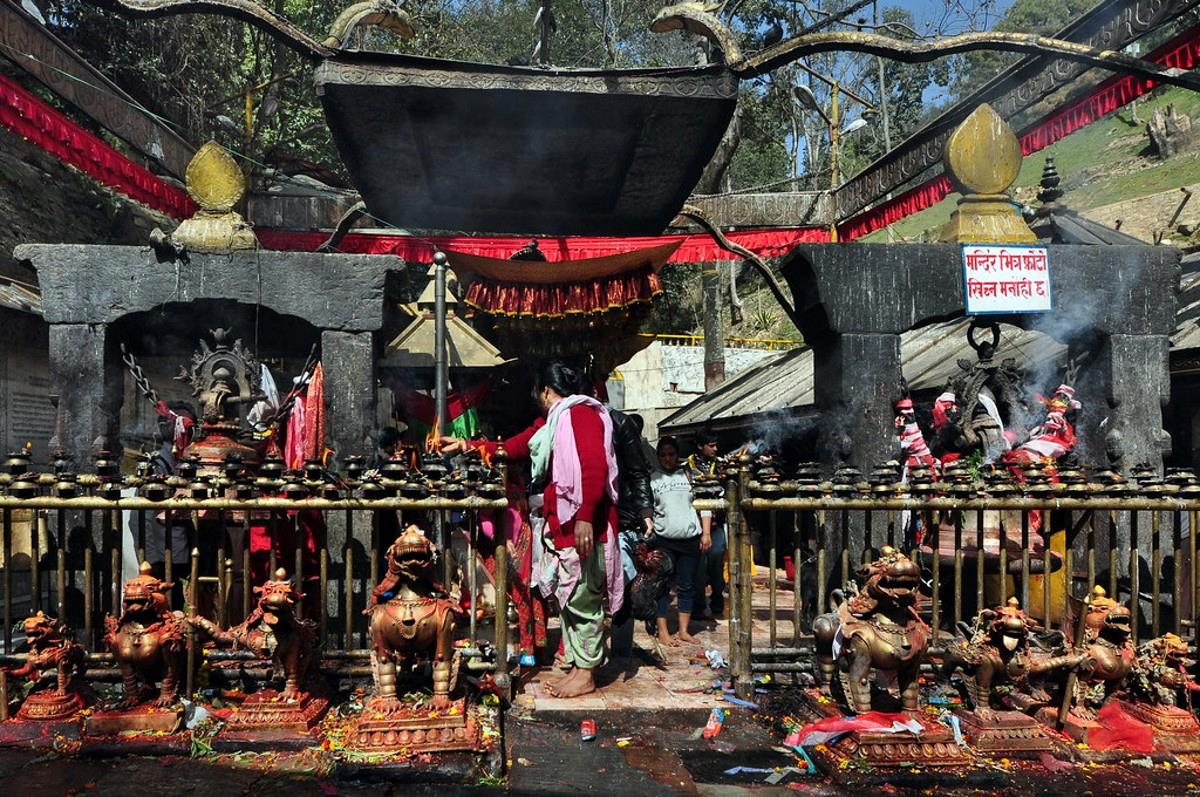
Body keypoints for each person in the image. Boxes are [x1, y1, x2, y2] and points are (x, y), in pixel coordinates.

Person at [442, 361, 621, 699]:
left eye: (536, 393)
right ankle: (580, 667)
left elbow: (594, 467)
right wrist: (469, 446)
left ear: (545, 391)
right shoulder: (554, 421)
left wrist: (584, 516)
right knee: (571, 600)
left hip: (586, 527)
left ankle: (587, 673)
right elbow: (513, 446)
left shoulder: (580, 415)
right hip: (568, 525)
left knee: (584, 599)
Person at [651, 436, 710, 646]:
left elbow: (705, 504)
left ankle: (684, 630)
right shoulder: (653, 479)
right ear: (658, 456)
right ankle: (663, 631)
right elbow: (648, 511)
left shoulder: (690, 476)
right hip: (664, 541)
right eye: (663, 454)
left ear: (677, 455)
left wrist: (706, 533)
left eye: (671, 454)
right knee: (662, 587)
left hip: (690, 540)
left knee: (687, 586)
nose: (668, 458)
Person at [687, 428, 726, 620]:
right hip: (696, 524)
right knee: (699, 567)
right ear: (700, 446)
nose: (715, 449)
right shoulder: (687, 466)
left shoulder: (721, 466)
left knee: (717, 562)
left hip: (717, 524)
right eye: (711, 446)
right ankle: (698, 606)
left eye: (716, 445)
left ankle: (718, 601)